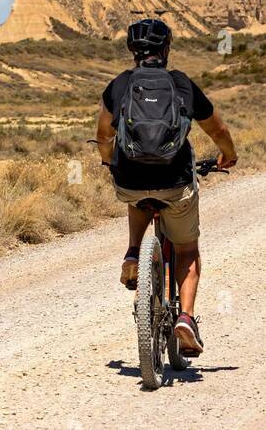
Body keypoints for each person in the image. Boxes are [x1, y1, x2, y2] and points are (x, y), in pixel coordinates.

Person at [96, 18, 237, 355]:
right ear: (166, 49)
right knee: (187, 250)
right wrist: (228, 155)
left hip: (131, 182)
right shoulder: (181, 84)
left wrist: (108, 161)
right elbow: (217, 130)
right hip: (175, 184)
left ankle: (133, 253)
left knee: (137, 193)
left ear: (132, 51)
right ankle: (186, 318)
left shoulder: (119, 85)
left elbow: (104, 135)